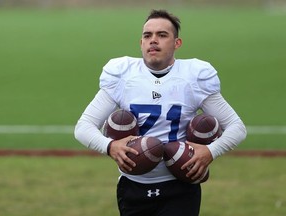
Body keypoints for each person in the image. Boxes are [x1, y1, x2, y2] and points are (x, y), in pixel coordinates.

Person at [74, 9, 247, 216]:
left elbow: (237, 128)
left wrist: (210, 152)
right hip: (133, 187)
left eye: (162, 35)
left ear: (177, 43)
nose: (153, 40)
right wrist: (110, 146)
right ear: (141, 43)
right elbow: (83, 127)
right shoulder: (123, 76)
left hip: (180, 186)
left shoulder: (194, 77)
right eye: (148, 36)